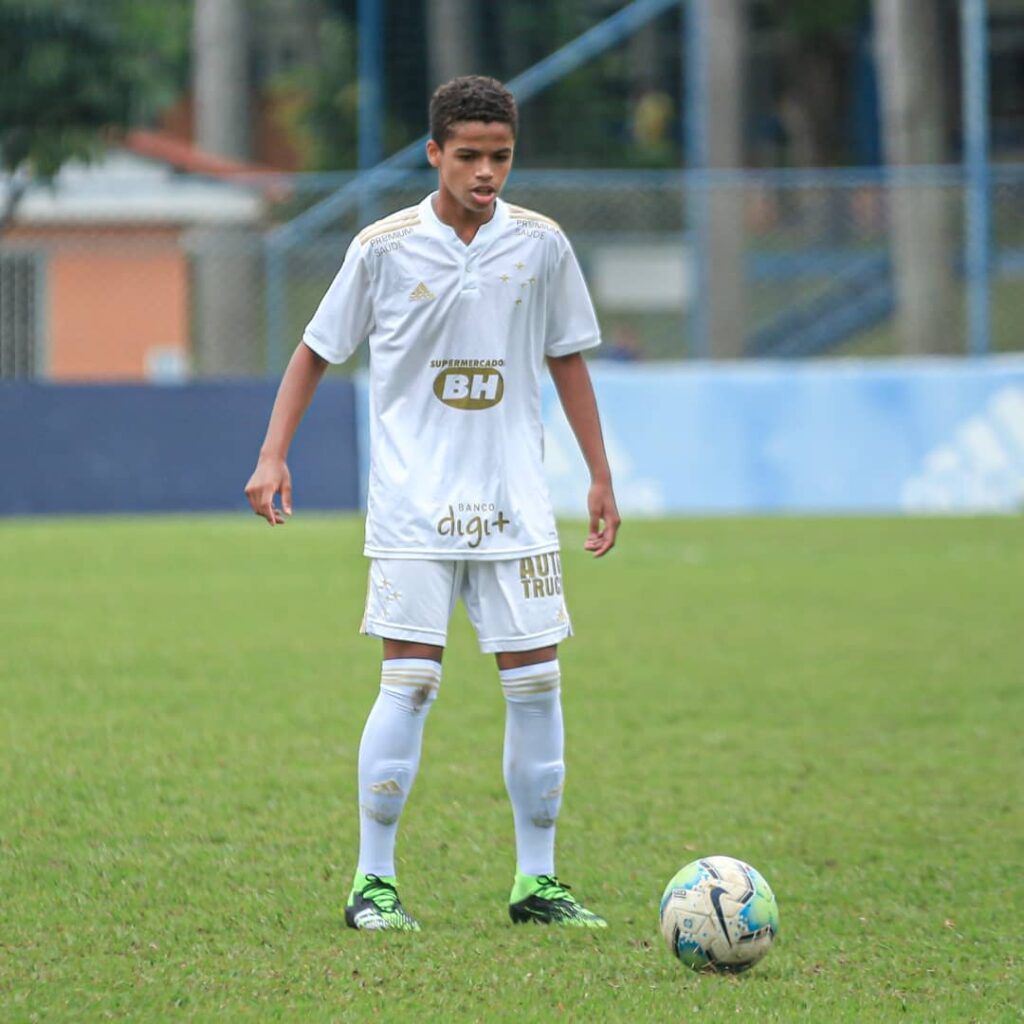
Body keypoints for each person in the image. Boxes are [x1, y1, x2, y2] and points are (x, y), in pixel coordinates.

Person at [245, 75, 620, 931]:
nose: (486, 173)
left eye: (501, 157)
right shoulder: (382, 248)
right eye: (470, 157)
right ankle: (373, 883)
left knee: (538, 688)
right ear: (434, 154)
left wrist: (597, 473)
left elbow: (568, 358)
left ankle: (538, 883)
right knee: (409, 682)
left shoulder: (542, 245)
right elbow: (315, 350)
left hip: (516, 507)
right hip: (414, 506)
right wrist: (273, 455)